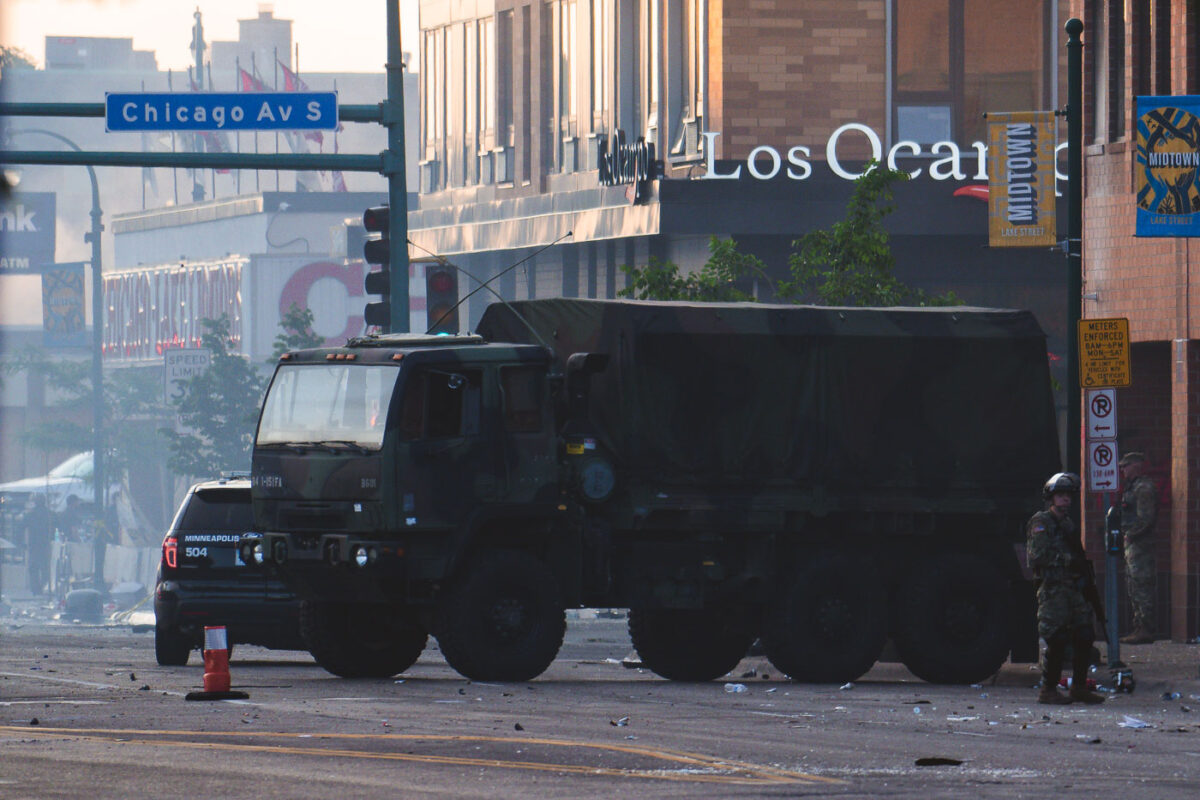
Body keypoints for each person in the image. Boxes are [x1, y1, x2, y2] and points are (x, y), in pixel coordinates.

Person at [1026, 472, 1105, 705]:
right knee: (1057, 639)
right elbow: (1037, 556)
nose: (1065, 500)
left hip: (1072, 588)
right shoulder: (1041, 523)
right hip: (1053, 589)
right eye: (1060, 496)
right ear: (1051, 498)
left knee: (1084, 634)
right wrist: (1068, 561)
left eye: (1068, 496)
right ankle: (1048, 689)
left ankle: (1079, 687)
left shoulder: (1068, 524)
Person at [1118, 451, 1158, 644]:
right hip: (1132, 544)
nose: (1122, 470)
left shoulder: (1143, 488)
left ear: (1135, 466)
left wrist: (1130, 534)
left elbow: (1146, 518)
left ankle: (1146, 627)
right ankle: (1139, 626)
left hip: (1140, 545)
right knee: (1133, 584)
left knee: (1142, 584)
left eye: (1125, 466)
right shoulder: (1131, 487)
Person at [20, 495, 53, 596]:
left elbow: (20, 528)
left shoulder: (30, 515)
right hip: (46, 544)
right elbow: (58, 527)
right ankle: (45, 587)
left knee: (33, 568)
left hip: (33, 545)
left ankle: (36, 589)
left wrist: (21, 543)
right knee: (45, 568)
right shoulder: (50, 514)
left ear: (35, 502)